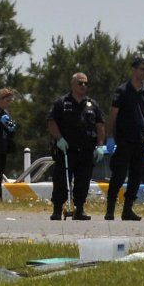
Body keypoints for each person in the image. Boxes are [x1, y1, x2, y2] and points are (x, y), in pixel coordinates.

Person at [104, 57, 144, 221]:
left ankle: (127, 210)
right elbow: (113, 115)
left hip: (140, 141)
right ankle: (110, 210)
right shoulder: (122, 91)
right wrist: (109, 137)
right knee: (119, 175)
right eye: (141, 69)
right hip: (124, 140)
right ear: (134, 70)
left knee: (136, 176)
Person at [47, 72, 106, 221]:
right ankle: (57, 209)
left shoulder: (92, 105)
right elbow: (52, 122)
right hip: (66, 150)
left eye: (86, 83)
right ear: (72, 84)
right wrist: (59, 138)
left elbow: (99, 125)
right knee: (61, 180)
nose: (83, 86)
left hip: (86, 151)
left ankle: (79, 209)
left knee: (83, 181)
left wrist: (100, 145)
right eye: (80, 83)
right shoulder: (62, 103)